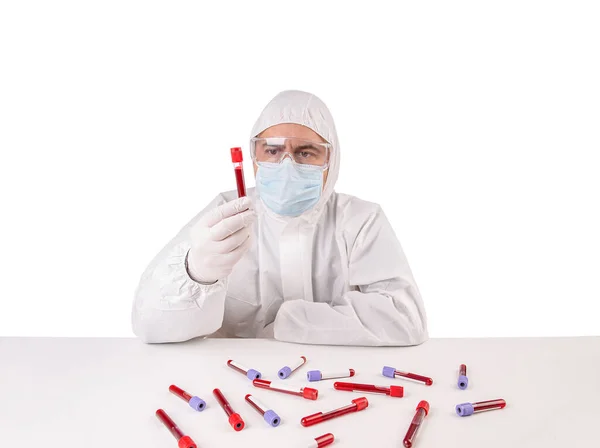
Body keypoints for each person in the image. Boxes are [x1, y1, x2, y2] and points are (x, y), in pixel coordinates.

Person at [132, 90, 428, 346]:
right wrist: (195, 273)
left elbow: (405, 318)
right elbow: (149, 325)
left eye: (306, 152)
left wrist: (290, 323)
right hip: (236, 383)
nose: (287, 165)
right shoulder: (227, 212)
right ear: (254, 155)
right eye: (272, 150)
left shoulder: (360, 220)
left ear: (331, 161)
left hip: (333, 379)